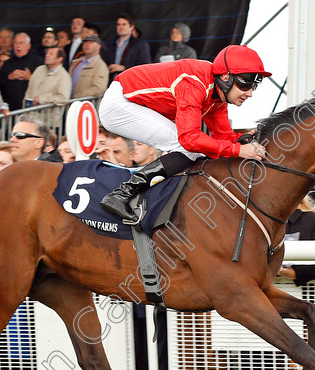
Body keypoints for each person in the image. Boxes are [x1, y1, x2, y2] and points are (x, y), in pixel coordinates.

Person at [99, 45, 269, 224]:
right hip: (119, 104)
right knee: (187, 147)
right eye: (246, 83)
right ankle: (121, 194)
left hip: (135, 103)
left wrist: (243, 141)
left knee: (195, 148)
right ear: (226, 77)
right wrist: (238, 150)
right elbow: (190, 139)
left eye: (254, 85)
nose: (249, 93)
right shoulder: (195, 82)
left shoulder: (218, 97)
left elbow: (223, 137)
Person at [0, 33, 42, 111]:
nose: (18, 46)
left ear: (28, 46)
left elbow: (45, 83)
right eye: (15, 43)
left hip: (31, 106)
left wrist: (30, 78)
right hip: (11, 108)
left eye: (21, 43)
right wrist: (9, 77)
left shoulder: (38, 61)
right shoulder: (7, 63)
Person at [106, 14, 151, 81]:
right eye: (118, 24)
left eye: (124, 24)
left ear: (132, 27)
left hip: (131, 82)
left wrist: (124, 68)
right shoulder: (111, 44)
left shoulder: (140, 45)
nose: (121, 27)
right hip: (112, 82)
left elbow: (145, 66)